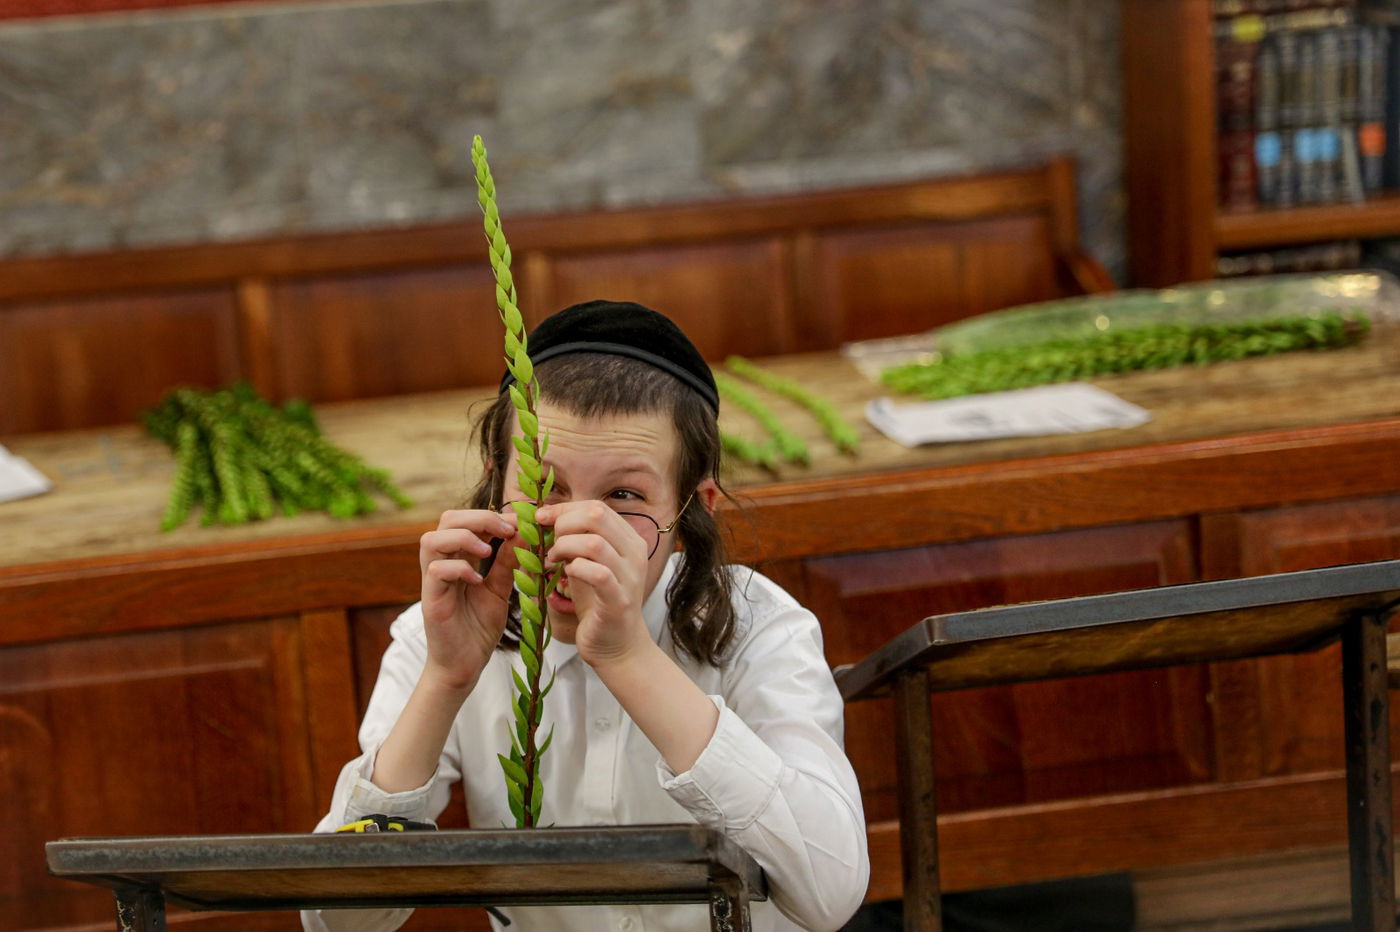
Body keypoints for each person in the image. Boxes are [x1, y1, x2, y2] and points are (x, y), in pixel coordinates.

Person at [303, 300, 869, 932]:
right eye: (542, 487)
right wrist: (444, 680)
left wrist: (629, 658)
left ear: (694, 509)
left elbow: (829, 896)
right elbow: (337, 921)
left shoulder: (758, 625)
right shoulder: (436, 636)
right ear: (496, 483)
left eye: (624, 496)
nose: (575, 531)